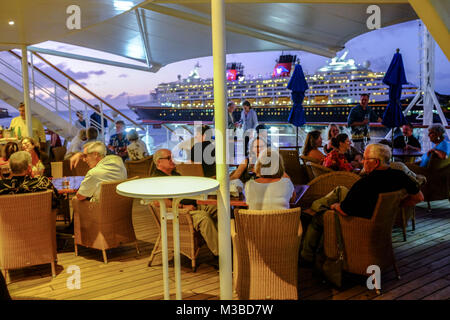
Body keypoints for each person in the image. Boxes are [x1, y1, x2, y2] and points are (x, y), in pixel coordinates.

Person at [301, 143, 423, 263]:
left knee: (319, 217)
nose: (362, 162)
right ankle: (313, 209)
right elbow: (419, 197)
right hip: (379, 220)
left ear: (375, 163)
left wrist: (334, 206)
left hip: (359, 223)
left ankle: (306, 256)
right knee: (341, 190)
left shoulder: (365, 184)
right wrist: (393, 206)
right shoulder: (400, 175)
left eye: (365, 159)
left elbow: (344, 210)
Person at [151, 148, 219, 258]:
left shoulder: (175, 175)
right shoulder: (157, 179)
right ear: (159, 162)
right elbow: (159, 202)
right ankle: (221, 255)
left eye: (173, 157)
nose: (173, 160)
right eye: (169, 158)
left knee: (220, 209)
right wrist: (183, 206)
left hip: (194, 205)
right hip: (179, 213)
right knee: (204, 218)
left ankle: (230, 245)